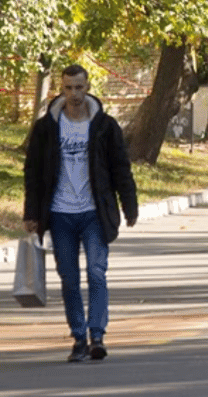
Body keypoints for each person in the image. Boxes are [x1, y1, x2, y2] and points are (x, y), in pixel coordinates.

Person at [23, 64, 139, 362]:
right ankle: (78, 337)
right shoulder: (47, 127)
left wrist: (129, 204)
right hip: (60, 214)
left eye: (79, 87)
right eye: (68, 88)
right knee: (69, 278)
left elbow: (120, 168)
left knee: (96, 272)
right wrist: (32, 213)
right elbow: (33, 172)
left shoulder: (104, 126)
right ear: (61, 90)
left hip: (93, 212)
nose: (74, 94)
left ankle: (97, 334)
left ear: (88, 87)